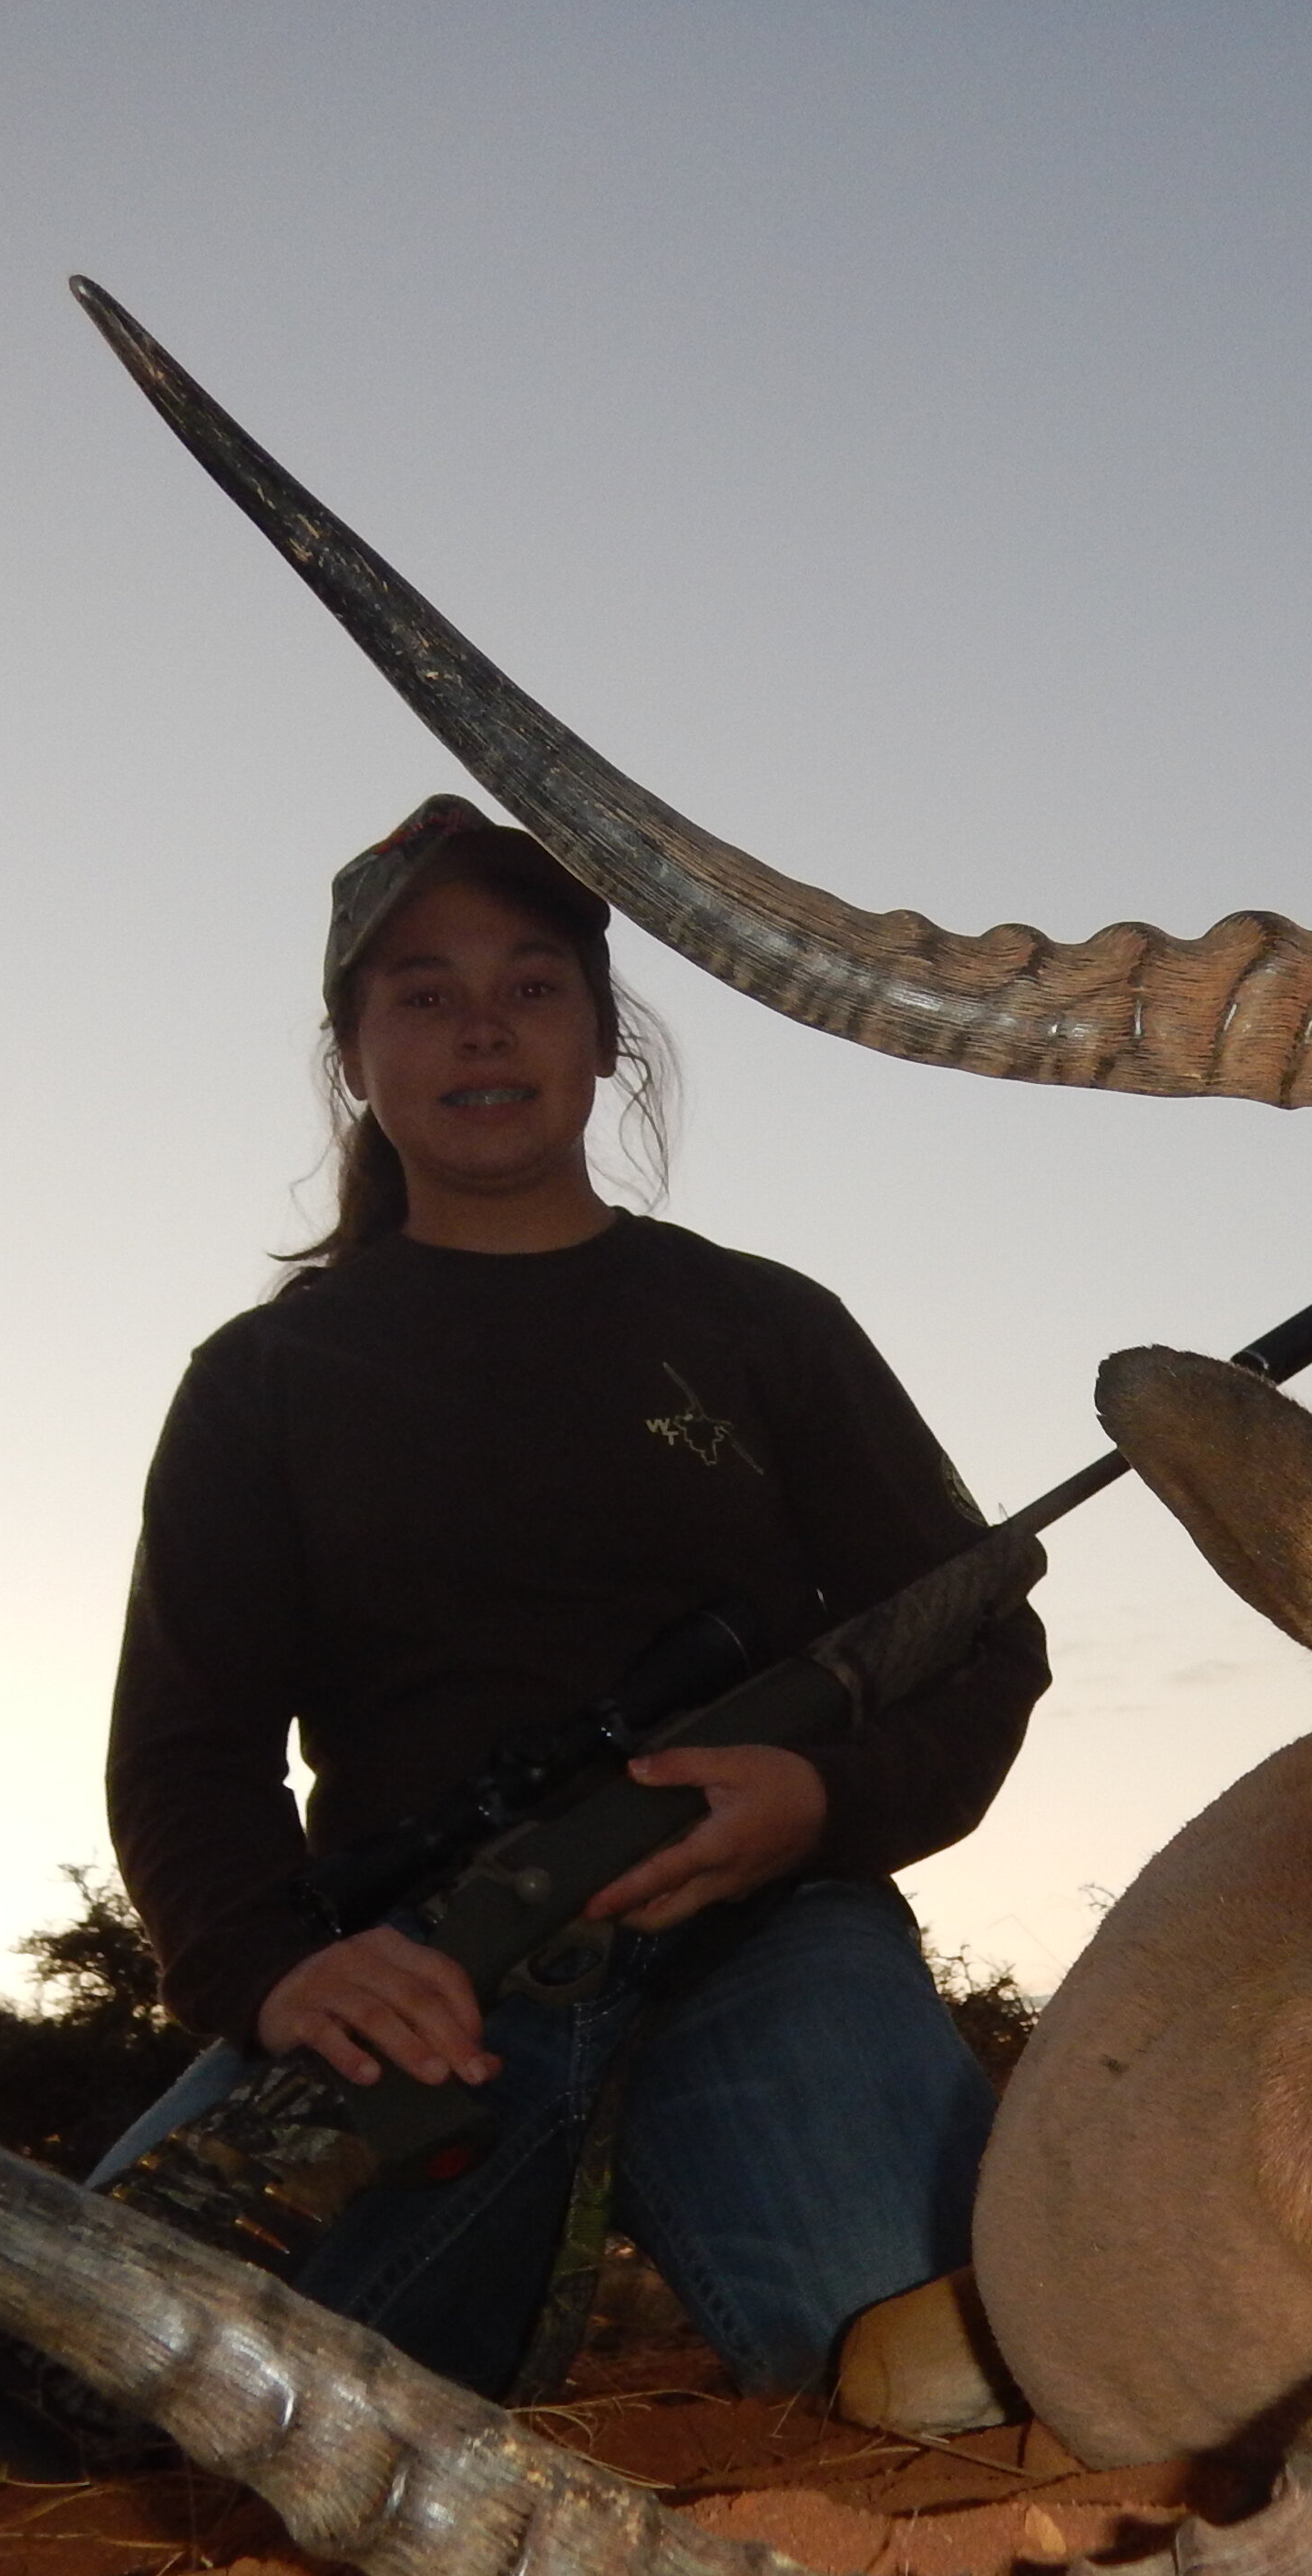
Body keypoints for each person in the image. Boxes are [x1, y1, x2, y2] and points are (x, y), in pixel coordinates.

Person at [77, 795, 1046, 2412]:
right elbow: (187, 1751)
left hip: (771, 1937)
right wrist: (278, 1975)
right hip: (422, 1986)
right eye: (422, 990)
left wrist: (816, 1801)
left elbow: (975, 1638)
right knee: (104, 2393)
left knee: (953, 2384)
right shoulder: (263, 1382)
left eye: (533, 986)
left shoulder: (764, 1325)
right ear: (354, 1053)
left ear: (606, 1041)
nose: (481, 1028)